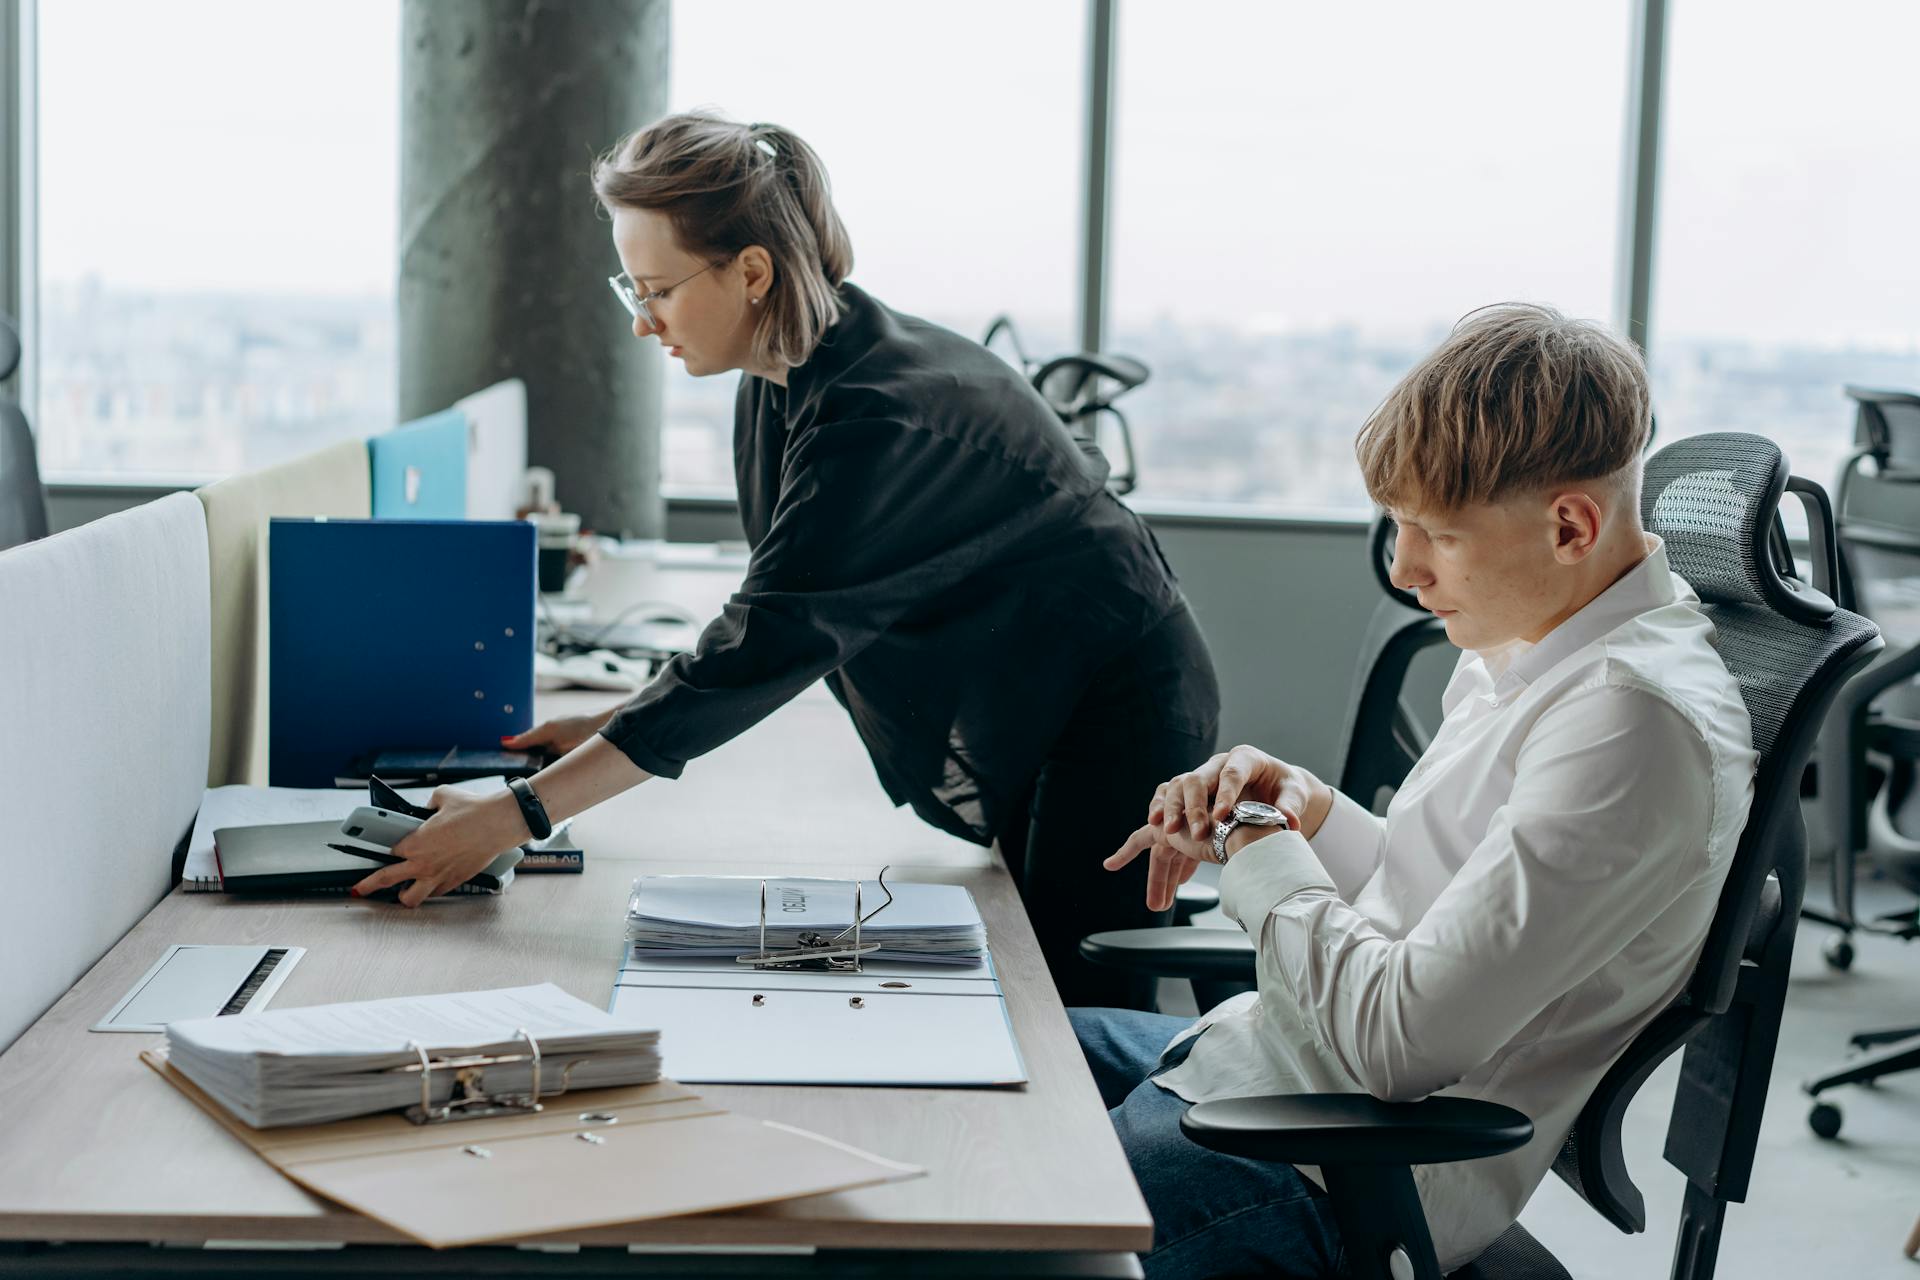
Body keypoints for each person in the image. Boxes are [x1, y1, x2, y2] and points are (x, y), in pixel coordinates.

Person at [350, 112, 1218, 1009]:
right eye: (631, 290)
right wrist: (620, 724)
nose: (643, 323)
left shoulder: (878, 417)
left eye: (657, 290)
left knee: (1072, 1008)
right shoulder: (789, 370)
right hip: (1036, 687)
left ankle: (1140, 1153)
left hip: (1113, 707)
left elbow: (772, 637)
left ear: (752, 272)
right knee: (1038, 989)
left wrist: (520, 813)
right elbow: (787, 604)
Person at [1075, 304, 1759, 1277]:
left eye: (1437, 532)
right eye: (1399, 525)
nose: (1404, 567)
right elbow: (1415, 883)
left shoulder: (1629, 723)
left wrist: (1262, 846)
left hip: (1338, 1167)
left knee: (966, 1204)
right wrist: (1305, 805)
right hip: (1259, 1063)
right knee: (979, 1053)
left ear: (1571, 523)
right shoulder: (1544, 638)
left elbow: (1399, 1043)